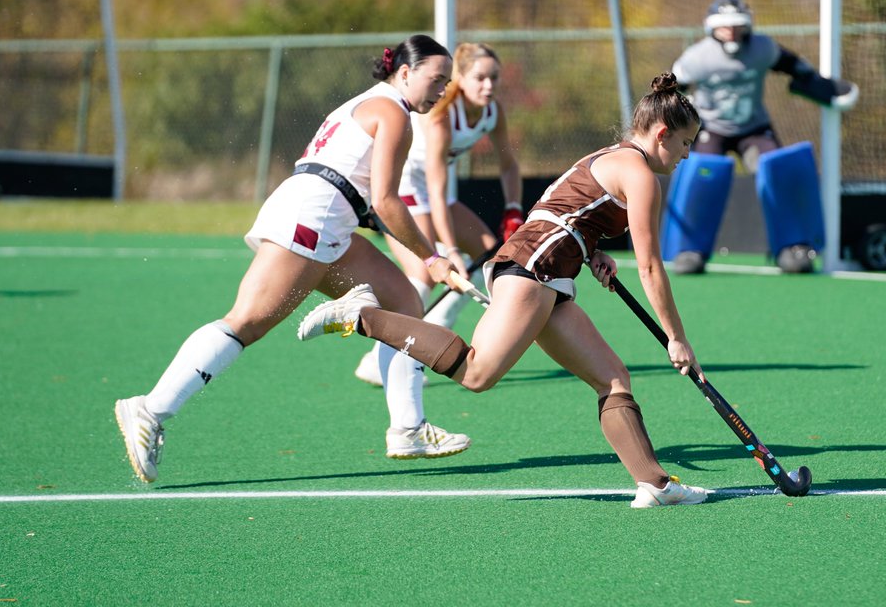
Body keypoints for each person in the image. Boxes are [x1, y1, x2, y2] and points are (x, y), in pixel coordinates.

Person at [298, 73, 712, 509]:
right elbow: (649, 266)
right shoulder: (641, 175)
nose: (687, 154)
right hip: (535, 268)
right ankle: (364, 315)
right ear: (662, 134)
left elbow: (559, 210)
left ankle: (655, 485)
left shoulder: (609, 157)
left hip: (543, 268)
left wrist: (590, 252)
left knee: (612, 378)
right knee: (476, 374)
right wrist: (676, 338)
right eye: (685, 143)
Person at [114, 34, 473, 484]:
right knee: (247, 321)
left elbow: (368, 198)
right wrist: (434, 260)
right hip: (314, 218)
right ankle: (150, 409)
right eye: (436, 80)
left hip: (328, 219)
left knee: (404, 304)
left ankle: (408, 428)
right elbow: (385, 201)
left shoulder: (372, 103)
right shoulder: (394, 115)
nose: (443, 91)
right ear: (405, 73)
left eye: (447, 82)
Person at [355, 42, 524, 386]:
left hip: (432, 191)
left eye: (494, 78)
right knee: (425, 272)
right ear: (459, 78)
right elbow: (435, 185)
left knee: (489, 254)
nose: (488, 86)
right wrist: (449, 250)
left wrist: (513, 209)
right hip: (402, 186)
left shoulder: (493, 112)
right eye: (480, 78)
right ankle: (380, 360)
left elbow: (509, 166)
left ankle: (428, 341)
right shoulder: (442, 114)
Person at [671, 0, 858, 274]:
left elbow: (792, 64)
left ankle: (791, 247)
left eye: (737, 25)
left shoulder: (762, 48)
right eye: (725, 26)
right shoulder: (697, 58)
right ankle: (690, 249)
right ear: (711, 28)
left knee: (776, 173)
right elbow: (671, 91)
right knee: (702, 177)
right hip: (711, 129)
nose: (731, 32)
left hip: (753, 129)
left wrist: (819, 84)